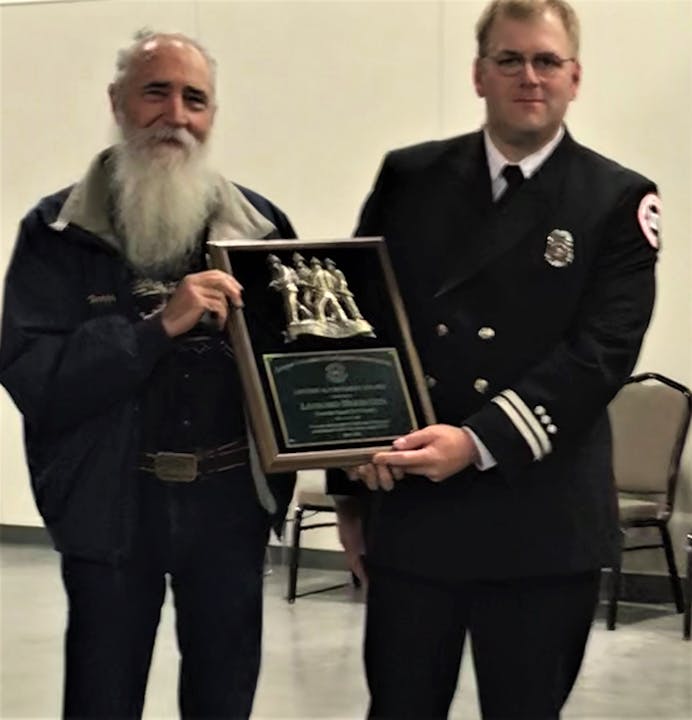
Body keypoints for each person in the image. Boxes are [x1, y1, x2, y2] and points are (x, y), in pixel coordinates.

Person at [329, 0, 661, 717]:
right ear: (480, 75)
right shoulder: (410, 177)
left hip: (539, 521)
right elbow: (362, 329)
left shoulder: (617, 199)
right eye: (509, 60)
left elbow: (599, 355)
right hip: (417, 515)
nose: (529, 77)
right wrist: (348, 481)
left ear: (575, 77)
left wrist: (478, 441)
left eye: (546, 61)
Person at [0, 30, 296, 719]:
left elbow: (298, 373)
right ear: (118, 102)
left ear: (212, 115)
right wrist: (157, 327)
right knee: (102, 695)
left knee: (224, 696)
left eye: (195, 99)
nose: (176, 114)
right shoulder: (54, 231)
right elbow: (36, 377)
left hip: (229, 508)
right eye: (155, 91)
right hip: (111, 503)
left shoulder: (262, 229)